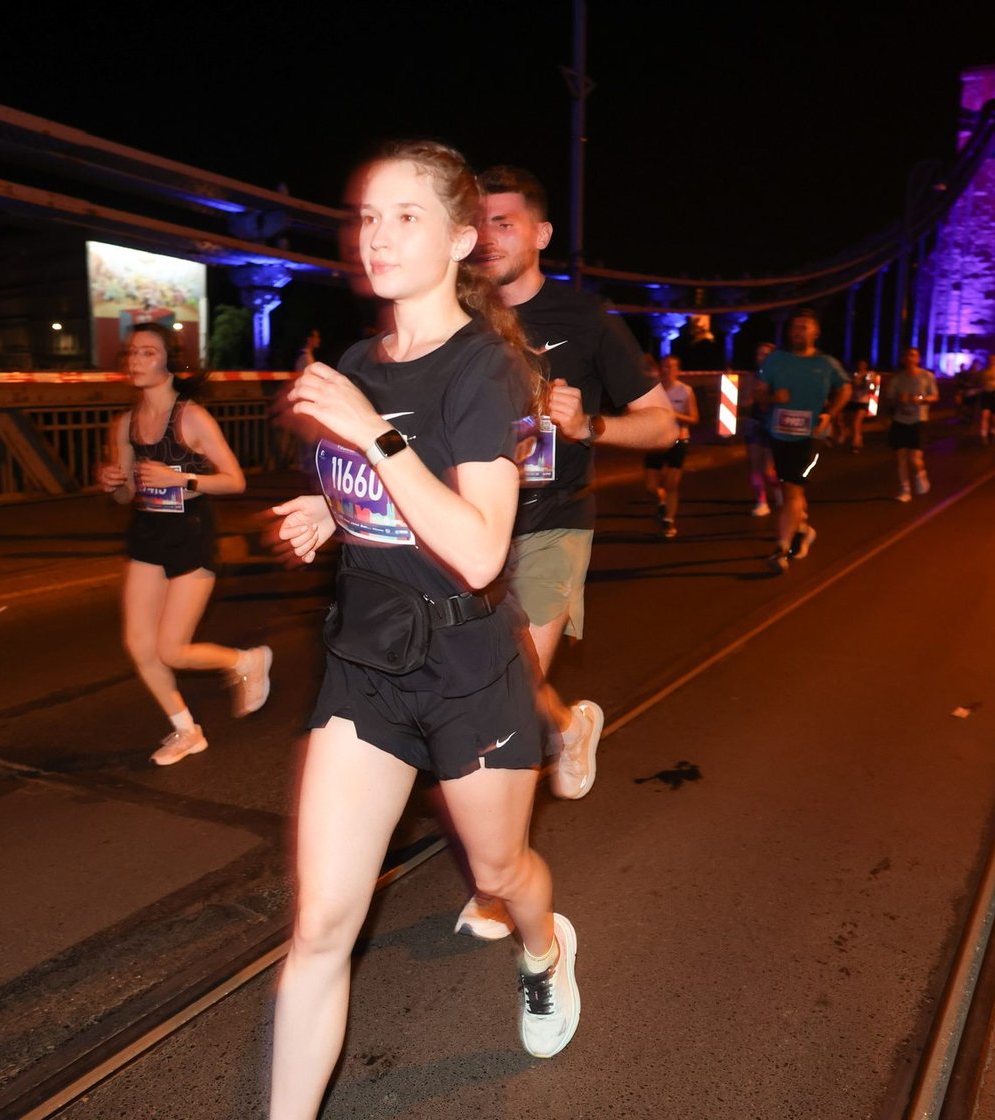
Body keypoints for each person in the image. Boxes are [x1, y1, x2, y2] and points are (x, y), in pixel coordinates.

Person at [267, 141, 580, 1118]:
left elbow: (481, 550)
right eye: (369, 215)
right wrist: (331, 509)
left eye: (407, 217)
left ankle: (544, 948)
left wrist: (372, 433)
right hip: (366, 661)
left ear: (457, 240)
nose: (379, 235)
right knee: (320, 924)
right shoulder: (360, 364)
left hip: (466, 667)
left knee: (500, 872)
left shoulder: (486, 370)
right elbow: (386, 494)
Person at [469, 164, 676, 809]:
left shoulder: (586, 317)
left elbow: (663, 425)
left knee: (503, 684)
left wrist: (589, 426)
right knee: (476, 678)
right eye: (477, 223)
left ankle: (499, 866)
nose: (487, 237)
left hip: (551, 519)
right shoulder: (454, 316)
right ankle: (566, 724)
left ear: (542, 235)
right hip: (466, 522)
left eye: (504, 224)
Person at [98, 323, 272, 766]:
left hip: (191, 533)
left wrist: (183, 479)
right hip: (146, 533)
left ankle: (245, 661)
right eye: (132, 353)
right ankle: (186, 730)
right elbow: (125, 495)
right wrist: (113, 482)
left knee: (172, 649)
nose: (136, 360)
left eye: (148, 353)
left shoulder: (191, 417)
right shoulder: (125, 424)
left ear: (169, 362)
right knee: (139, 645)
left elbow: (235, 480)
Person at [756, 308, 850, 572]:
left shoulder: (826, 363)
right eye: (794, 327)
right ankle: (803, 530)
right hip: (779, 433)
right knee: (790, 489)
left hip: (811, 435)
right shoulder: (776, 360)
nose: (798, 331)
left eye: (804, 327)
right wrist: (773, 398)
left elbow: (845, 388)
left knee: (792, 488)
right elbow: (758, 393)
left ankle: (782, 549)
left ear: (815, 332)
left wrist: (830, 414)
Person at [644, 353, 700, 538]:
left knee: (672, 484)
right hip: (655, 441)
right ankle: (661, 500)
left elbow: (694, 418)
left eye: (672, 366)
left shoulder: (685, 391)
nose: (668, 370)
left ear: (678, 370)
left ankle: (668, 521)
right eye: (665, 366)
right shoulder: (652, 390)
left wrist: (673, 414)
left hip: (678, 440)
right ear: (660, 369)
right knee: (651, 486)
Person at [883, 346, 938, 501]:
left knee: (914, 458)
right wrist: (899, 400)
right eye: (907, 355)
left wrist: (920, 399)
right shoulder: (898, 378)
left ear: (918, 358)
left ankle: (920, 473)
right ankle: (905, 490)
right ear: (903, 359)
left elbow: (935, 396)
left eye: (913, 355)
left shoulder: (927, 376)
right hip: (900, 420)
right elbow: (889, 399)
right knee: (900, 457)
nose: (910, 358)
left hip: (918, 420)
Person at [744, 340, 781, 517]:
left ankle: (778, 490)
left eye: (766, 354)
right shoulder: (752, 377)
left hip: (773, 424)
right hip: (755, 423)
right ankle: (761, 501)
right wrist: (752, 391)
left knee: (768, 469)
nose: (761, 358)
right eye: (759, 354)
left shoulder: (780, 377)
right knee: (755, 465)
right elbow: (745, 402)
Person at [841, 358, 877, 452]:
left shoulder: (870, 374)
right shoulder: (853, 374)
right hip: (853, 400)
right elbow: (848, 385)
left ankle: (855, 444)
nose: (861, 365)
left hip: (863, 401)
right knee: (851, 422)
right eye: (860, 363)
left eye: (863, 363)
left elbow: (872, 387)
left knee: (856, 422)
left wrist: (866, 383)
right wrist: (854, 382)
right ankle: (858, 439)